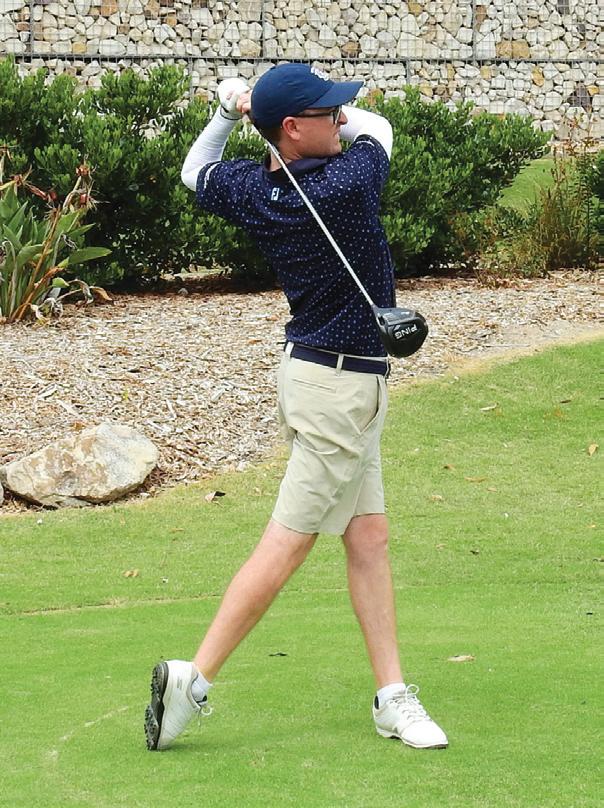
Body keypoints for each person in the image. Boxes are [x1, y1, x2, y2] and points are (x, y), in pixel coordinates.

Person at [144, 63, 448, 752]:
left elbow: (195, 171)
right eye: (325, 113)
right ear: (292, 128)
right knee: (290, 540)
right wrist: (251, 109)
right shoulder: (345, 184)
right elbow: (379, 127)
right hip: (336, 394)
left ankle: (391, 696)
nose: (340, 119)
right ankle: (194, 680)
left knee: (368, 537)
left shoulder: (257, 189)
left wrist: (229, 111)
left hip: (330, 382)